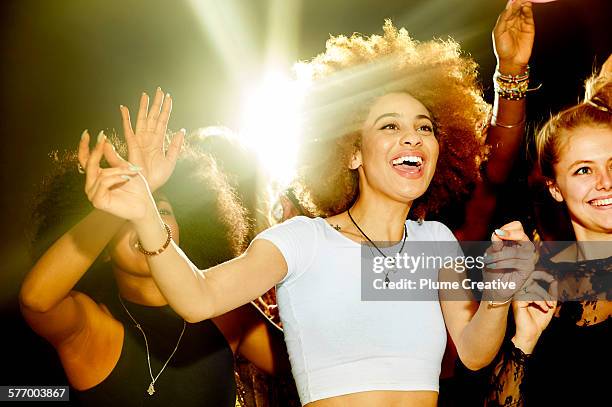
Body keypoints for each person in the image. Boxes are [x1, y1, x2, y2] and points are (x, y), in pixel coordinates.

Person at [80, 3, 539, 406]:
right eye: (389, 126)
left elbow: (475, 354)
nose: (412, 137)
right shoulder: (303, 242)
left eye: (424, 128)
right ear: (351, 153)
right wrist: (143, 210)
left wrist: (497, 299)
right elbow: (198, 298)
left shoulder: (435, 243)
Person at [19, 89, 289, 406]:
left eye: (160, 211)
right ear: (102, 249)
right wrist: (121, 199)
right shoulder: (91, 327)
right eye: (125, 220)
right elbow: (37, 301)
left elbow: (319, 367)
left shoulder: (227, 313)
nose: (143, 218)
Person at [486, 56, 612, 406]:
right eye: (584, 170)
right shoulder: (542, 291)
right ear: (555, 188)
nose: (605, 182)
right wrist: (524, 339)